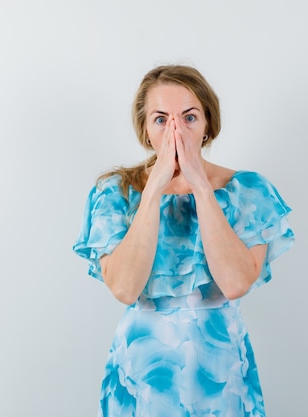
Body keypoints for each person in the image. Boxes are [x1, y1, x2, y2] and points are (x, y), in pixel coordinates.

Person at [73, 64, 295, 417]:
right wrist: (154, 189)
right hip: (142, 373)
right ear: (146, 130)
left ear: (207, 125)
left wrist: (202, 187)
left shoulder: (248, 190)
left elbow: (237, 283)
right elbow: (125, 289)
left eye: (189, 118)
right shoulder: (116, 192)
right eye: (161, 120)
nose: (176, 130)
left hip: (219, 371)